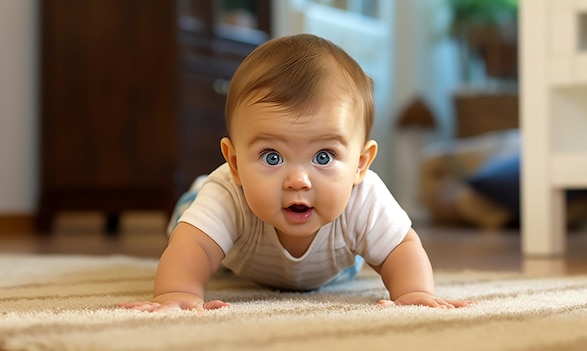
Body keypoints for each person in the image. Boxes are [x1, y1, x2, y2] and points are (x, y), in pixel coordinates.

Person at [118, 34, 471, 312]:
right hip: (233, 248)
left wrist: (414, 292)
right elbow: (193, 246)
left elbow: (402, 248)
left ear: (360, 164)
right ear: (237, 163)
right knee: (191, 228)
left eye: (323, 156)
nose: (298, 180)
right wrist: (179, 291)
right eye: (272, 157)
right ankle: (195, 197)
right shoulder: (229, 193)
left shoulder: (366, 199)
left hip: (331, 267)